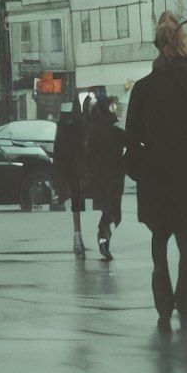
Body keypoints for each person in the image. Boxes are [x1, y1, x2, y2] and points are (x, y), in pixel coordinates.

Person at [122, 16, 187, 325]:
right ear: (183, 43)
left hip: (155, 173)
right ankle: (183, 300)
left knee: (159, 236)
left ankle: (163, 302)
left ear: (158, 45)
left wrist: (139, 169)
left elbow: (131, 137)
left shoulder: (144, 87)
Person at [53, 89, 123, 258]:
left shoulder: (102, 124)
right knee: (97, 201)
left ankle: (95, 238)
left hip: (98, 169)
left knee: (107, 204)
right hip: (86, 168)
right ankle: (85, 236)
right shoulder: (77, 123)